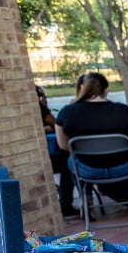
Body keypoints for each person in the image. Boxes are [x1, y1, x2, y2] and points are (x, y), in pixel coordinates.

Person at [54, 72, 128, 206]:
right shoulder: (123, 110)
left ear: (82, 88)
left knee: (72, 160)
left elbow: (63, 145)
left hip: (87, 169)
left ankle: (86, 200)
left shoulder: (66, 112)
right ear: (106, 89)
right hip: (123, 166)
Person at [38, 85, 77, 216]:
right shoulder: (39, 107)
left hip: (33, 163)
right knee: (69, 161)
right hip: (44, 160)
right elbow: (55, 124)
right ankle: (66, 205)